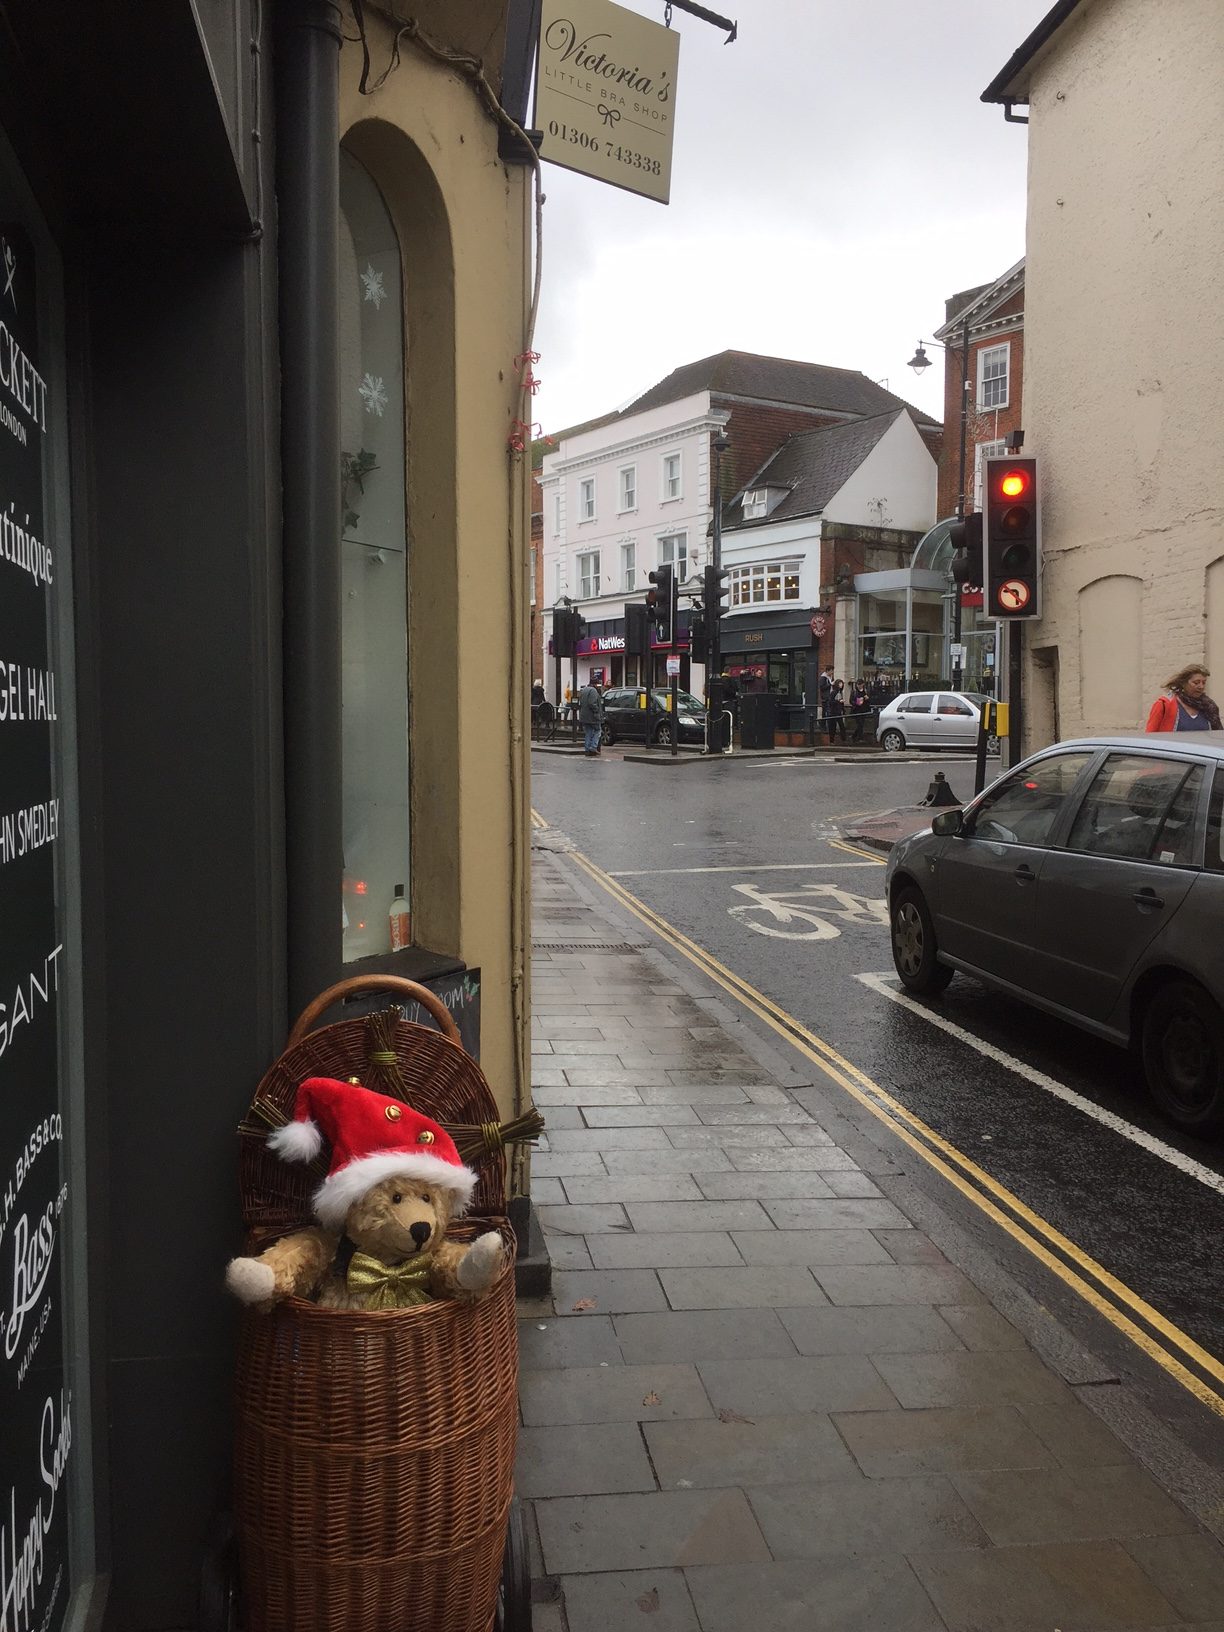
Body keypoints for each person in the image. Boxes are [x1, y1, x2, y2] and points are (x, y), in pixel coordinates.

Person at [1145, 665, 1222, 732]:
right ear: (1184, 683)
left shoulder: (1209, 707)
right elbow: (1150, 738)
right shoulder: (1164, 705)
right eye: (1196, 682)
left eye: (1204, 682)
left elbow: (1217, 736)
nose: (1201, 687)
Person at [578, 679, 604, 756]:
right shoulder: (593, 691)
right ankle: (593, 747)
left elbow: (581, 702)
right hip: (592, 716)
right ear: (595, 684)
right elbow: (592, 703)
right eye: (598, 685)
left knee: (588, 732)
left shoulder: (584, 690)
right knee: (598, 730)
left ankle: (587, 749)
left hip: (584, 716)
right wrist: (597, 711)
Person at [826, 678, 846, 744]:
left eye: (842, 683)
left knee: (842, 726)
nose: (841, 685)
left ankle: (843, 739)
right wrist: (838, 701)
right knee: (833, 727)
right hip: (833, 712)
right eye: (840, 683)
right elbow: (830, 702)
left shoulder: (840, 692)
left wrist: (843, 709)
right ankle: (832, 740)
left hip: (838, 712)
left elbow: (841, 703)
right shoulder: (833, 692)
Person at [849, 678, 869, 742]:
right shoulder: (854, 691)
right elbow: (851, 700)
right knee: (859, 723)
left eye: (860, 684)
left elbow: (869, 701)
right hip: (857, 709)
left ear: (863, 684)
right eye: (858, 684)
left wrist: (867, 699)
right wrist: (856, 703)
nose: (859, 686)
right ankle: (860, 738)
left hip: (863, 709)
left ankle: (854, 736)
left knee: (861, 724)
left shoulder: (865, 691)